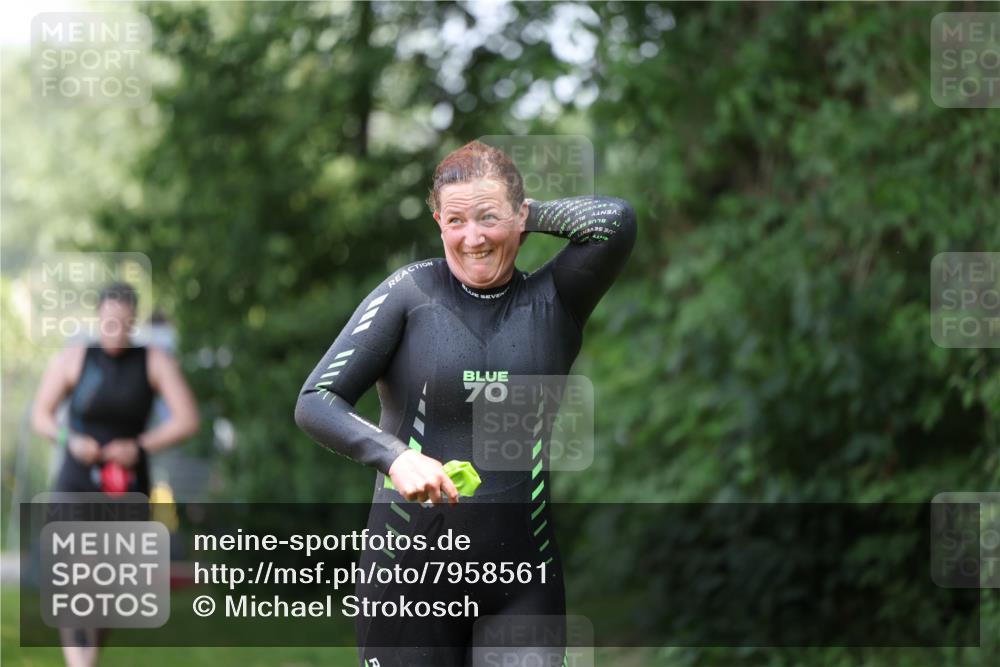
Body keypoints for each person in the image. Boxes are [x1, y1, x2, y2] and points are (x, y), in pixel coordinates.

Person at [295, 140, 636, 666]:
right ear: (437, 223)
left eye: (489, 219)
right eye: (455, 221)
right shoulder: (409, 295)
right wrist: (395, 457)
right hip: (407, 579)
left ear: (520, 218)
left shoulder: (555, 299)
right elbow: (316, 400)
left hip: (523, 584)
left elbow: (616, 220)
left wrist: (522, 212)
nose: (473, 238)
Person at [30, 282, 200, 667]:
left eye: (123, 324)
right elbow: (41, 415)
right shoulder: (74, 359)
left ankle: (88, 658)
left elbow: (187, 420)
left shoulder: (154, 361)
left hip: (126, 486)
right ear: (97, 319)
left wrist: (139, 446)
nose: (115, 331)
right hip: (76, 481)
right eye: (108, 322)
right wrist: (68, 439)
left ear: (133, 323)